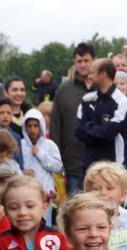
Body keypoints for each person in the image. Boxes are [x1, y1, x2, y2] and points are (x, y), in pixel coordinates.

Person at [51, 43, 96, 193]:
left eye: (86, 60)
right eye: (79, 61)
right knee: (75, 205)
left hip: (100, 162)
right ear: (74, 63)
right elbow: (56, 126)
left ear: (94, 60)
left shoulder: (103, 87)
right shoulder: (64, 90)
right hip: (73, 163)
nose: (83, 65)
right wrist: (57, 158)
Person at [75, 58, 127, 175]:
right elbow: (79, 131)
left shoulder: (121, 101)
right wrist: (100, 132)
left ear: (103, 74)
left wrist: (89, 127)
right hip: (88, 165)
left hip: (113, 166)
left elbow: (110, 132)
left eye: (92, 73)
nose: (89, 76)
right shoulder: (87, 99)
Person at [21, 109, 62, 221]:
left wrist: (40, 154)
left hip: (45, 194)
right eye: (29, 126)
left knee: (44, 223)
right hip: (24, 193)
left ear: (41, 126)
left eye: (35, 126)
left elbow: (58, 166)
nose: (32, 130)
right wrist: (22, 172)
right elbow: (15, 166)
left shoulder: (50, 145)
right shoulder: (20, 145)